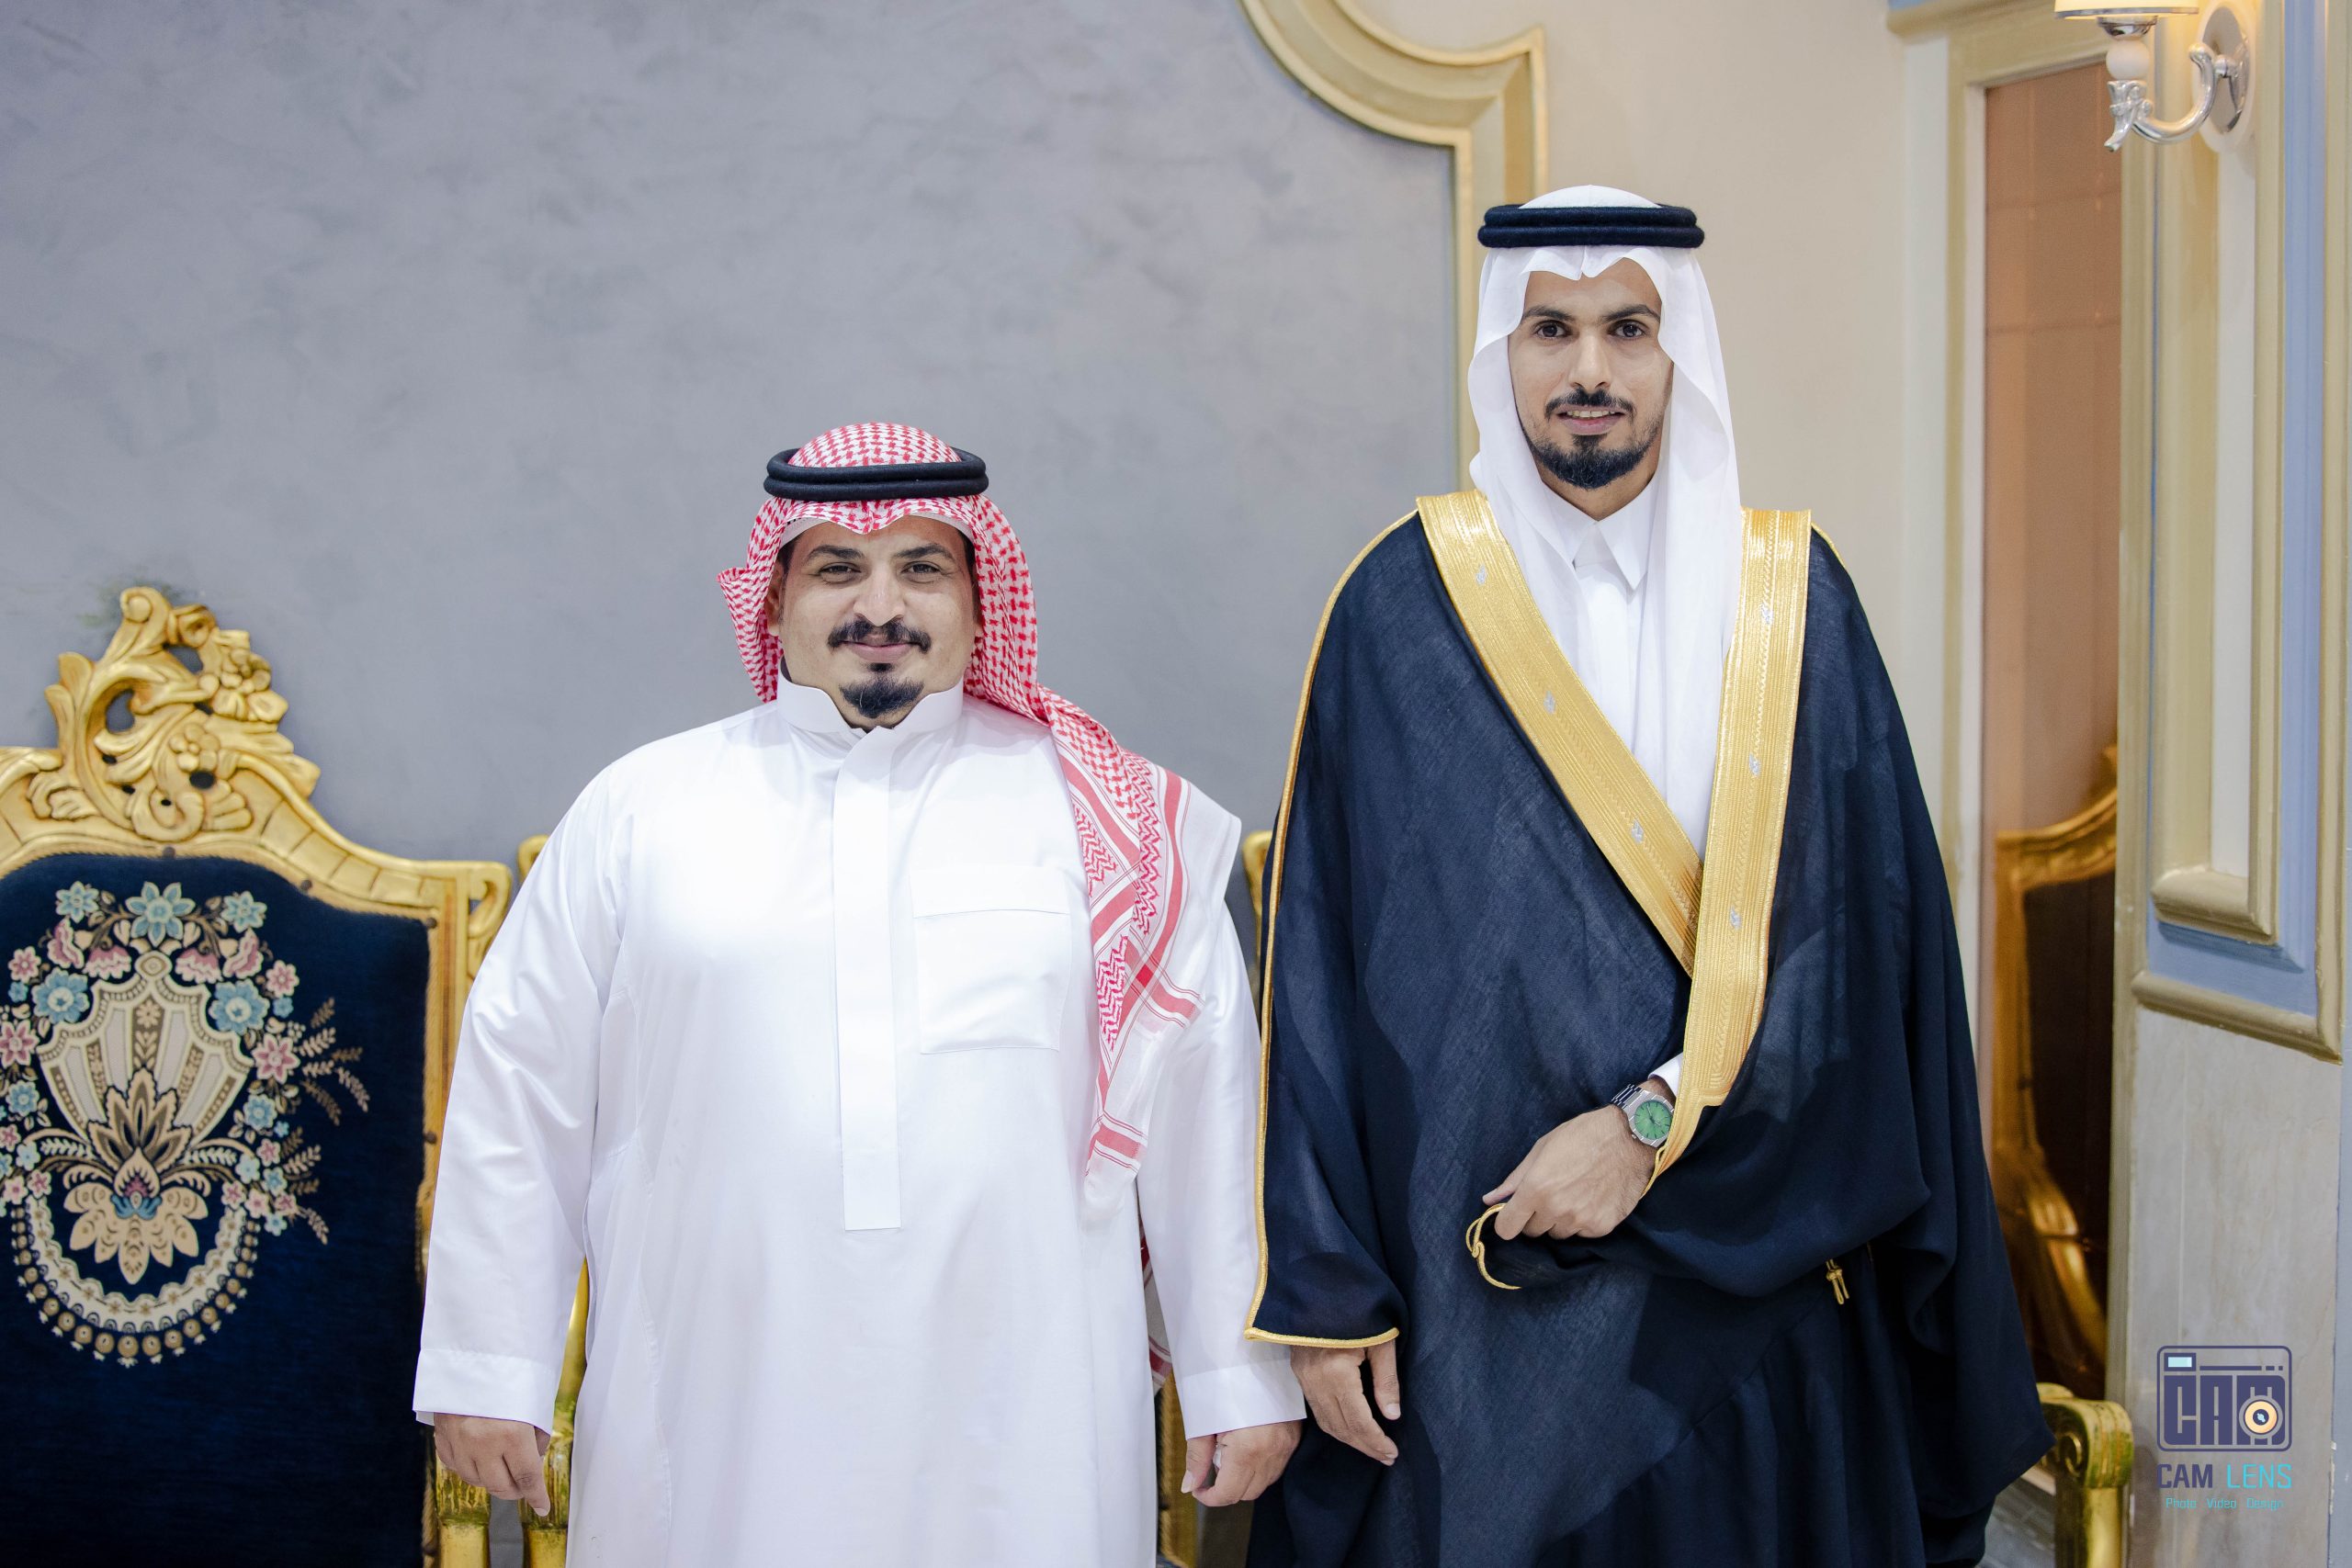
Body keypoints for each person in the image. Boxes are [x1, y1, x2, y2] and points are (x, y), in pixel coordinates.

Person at [1245, 189, 2050, 1566]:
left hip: (1754, 1302)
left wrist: (1644, 1128)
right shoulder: (1396, 607)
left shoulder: (1793, 602)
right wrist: (1327, 1297)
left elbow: (1859, 958)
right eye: (1550, 330)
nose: (1591, 369)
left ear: (1683, 355)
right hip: (1472, 1316)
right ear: (1502, 354)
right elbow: (1314, 968)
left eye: (1629, 328)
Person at [416, 423, 1302, 1566]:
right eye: (838, 567)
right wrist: (490, 1366)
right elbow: (519, 1089)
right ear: (774, 599)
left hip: (1024, 1399)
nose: (879, 606)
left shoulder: (1112, 821)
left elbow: (1207, 1108)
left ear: (980, 602)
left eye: (921, 568)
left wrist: (1236, 1374)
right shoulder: (643, 809)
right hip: (711, 1391)